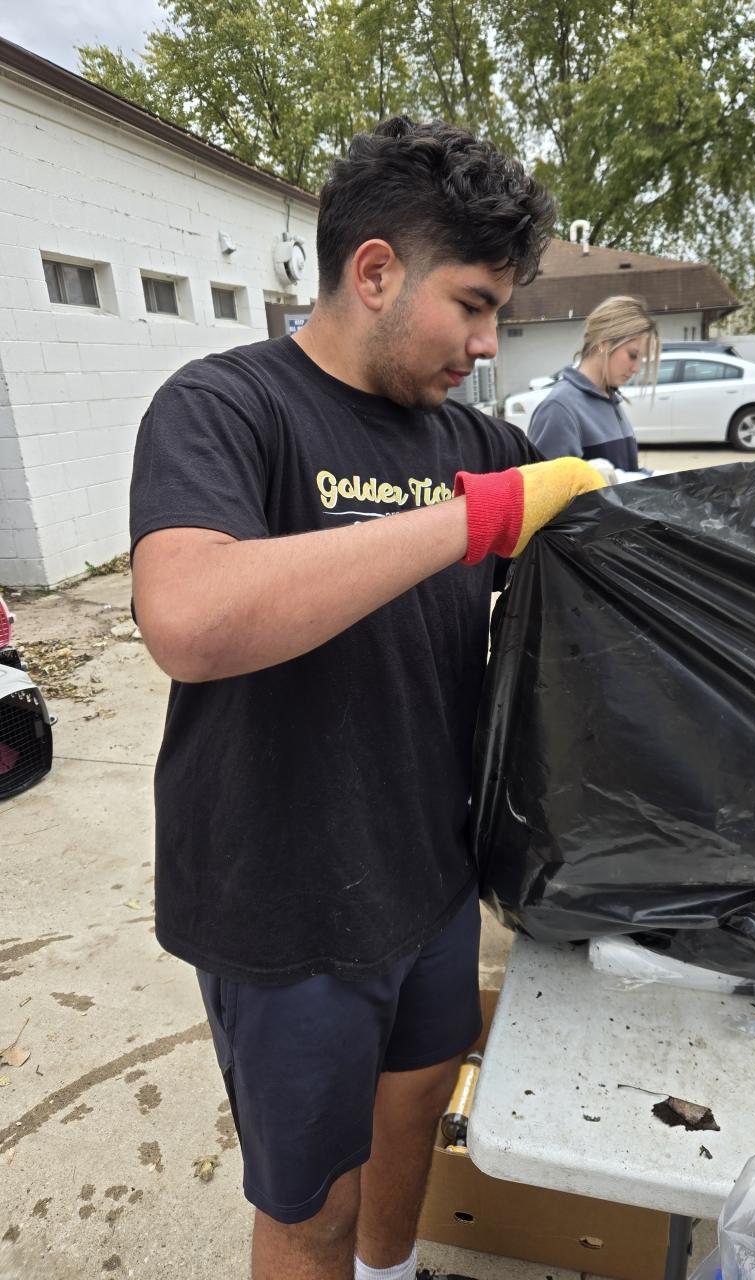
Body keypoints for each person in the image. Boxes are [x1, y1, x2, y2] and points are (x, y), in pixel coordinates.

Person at [129, 117, 604, 1280]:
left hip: (429, 875)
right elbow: (188, 616)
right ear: (377, 271)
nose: (487, 346)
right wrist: (476, 518)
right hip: (283, 900)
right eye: (474, 305)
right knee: (312, 1210)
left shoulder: (471, 438)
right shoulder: (227, 405)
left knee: (413, 1117)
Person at [527, 294, 660, 472]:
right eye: (633, 355)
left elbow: (626, 473)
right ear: (604, 343)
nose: (637, 368)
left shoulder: (610, 399)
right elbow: (549, 486)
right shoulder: (559, 409)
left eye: (641, 359)